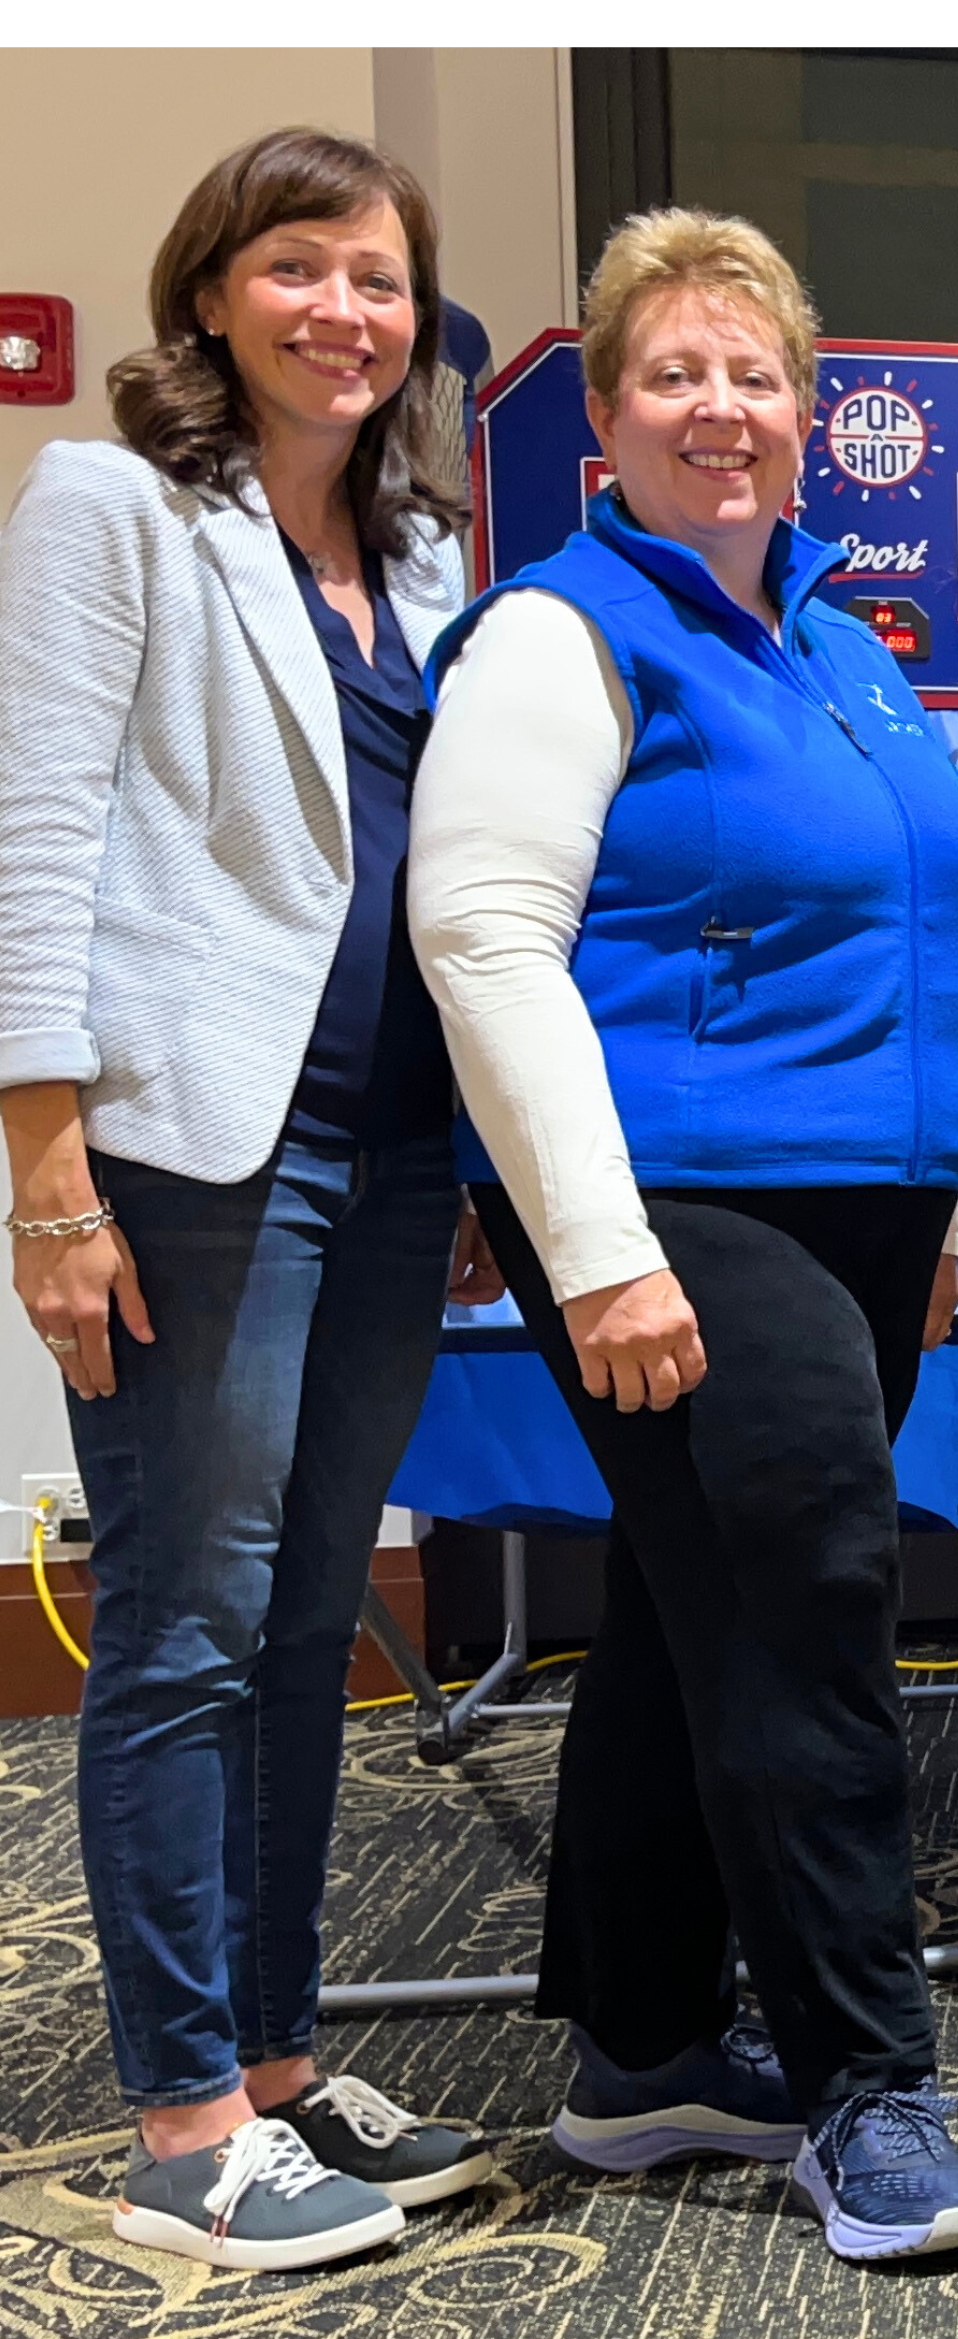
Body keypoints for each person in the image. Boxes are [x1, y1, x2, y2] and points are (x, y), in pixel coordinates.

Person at [409, 209, 958, 2261]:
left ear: (810, 410)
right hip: (677, 1198)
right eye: (674, 373)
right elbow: (482, 939)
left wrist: (942, 1195)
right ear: (604, 408)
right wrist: (595, 1247)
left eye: (755, 374)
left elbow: (915, 928)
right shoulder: (560, 630)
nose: (720, 410)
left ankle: (649, 2040)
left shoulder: (839, 643)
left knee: (694, 1609)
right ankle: (869, 2080)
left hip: (859, 1201)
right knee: (812, 1605)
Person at [0, 128, 499, 2271]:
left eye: (379, 279)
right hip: (201, 1151)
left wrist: (471, 1147)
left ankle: (282, 2063)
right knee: (190, 1628)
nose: (343, 314)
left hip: (393, 1151)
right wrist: (43, 1164)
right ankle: (187, 2114)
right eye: (299, 268)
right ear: (213, 289)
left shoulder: (427, 557)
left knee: (312, 1621)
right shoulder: (116, 505)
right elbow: (34, 828)